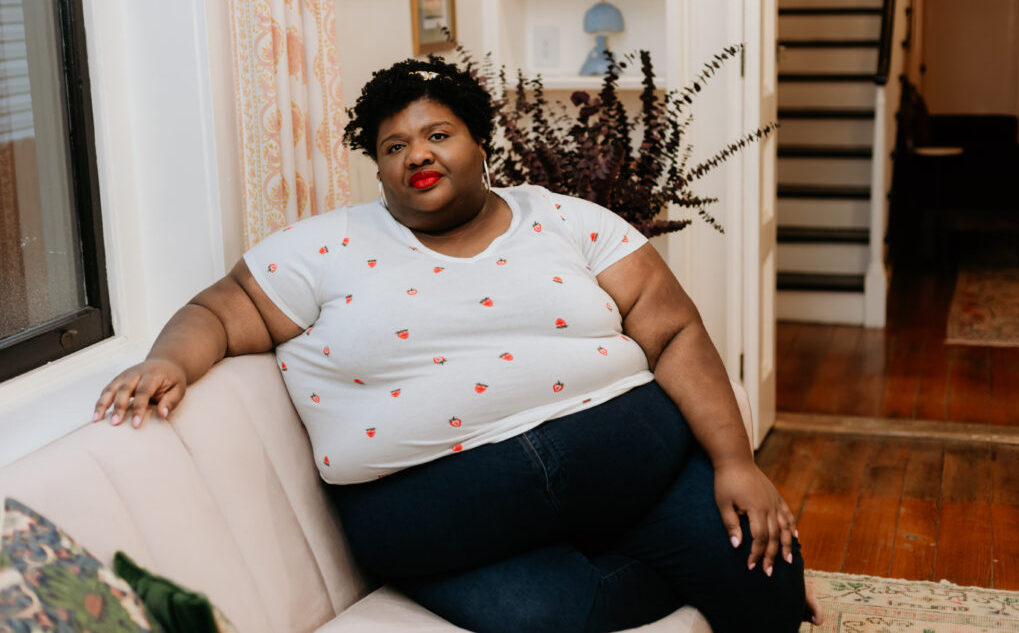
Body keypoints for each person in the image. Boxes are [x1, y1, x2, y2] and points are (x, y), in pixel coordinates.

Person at [94, 57, 822, 632]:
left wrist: (734, 461)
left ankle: (666, 540)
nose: (419, 155)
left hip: (631, 459)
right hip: (443, 507)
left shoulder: (569, 221)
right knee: (570, 613)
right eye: (395, 146)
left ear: (481, 144)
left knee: (768, 578)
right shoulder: (321, 249)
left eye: (438, 134)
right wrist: (167, 359)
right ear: (377, 167)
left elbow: (675, 331)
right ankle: (642, 552)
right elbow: (218, 313)